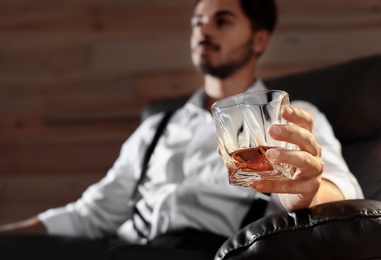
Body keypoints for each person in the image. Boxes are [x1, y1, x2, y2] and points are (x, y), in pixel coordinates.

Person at [0, 0, 363, 257]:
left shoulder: (290, 116)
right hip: (125, 248)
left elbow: (342, 191)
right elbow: (91, 213)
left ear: (258, 40)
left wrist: (307, 193)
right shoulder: (156, 127)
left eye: (221, 20)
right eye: (197, 21)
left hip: (212, 251)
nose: (203, 29)